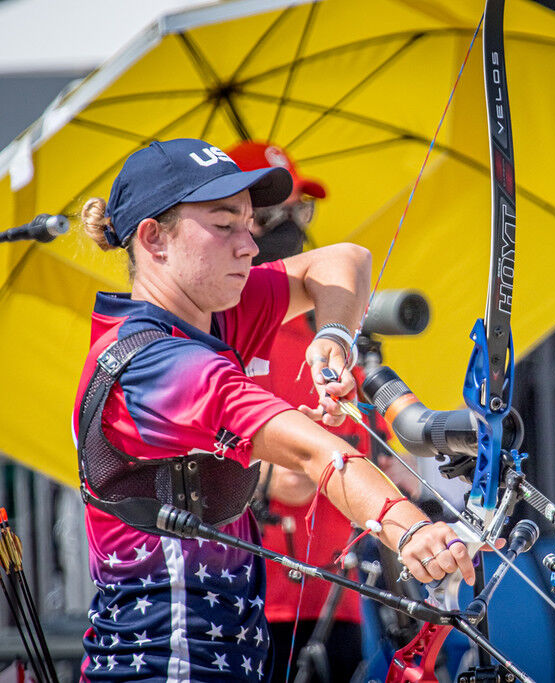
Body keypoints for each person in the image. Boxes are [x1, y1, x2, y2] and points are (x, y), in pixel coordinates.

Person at [72, 138, 483, 682]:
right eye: (224, 225)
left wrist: (332, 336)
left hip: (225, 660)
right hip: (164, 668)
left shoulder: (216, 317)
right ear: (154, 239)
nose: (248, 245)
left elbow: (345, 259)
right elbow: (318, 453)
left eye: (249, 224)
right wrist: (410, 530)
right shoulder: (157, 364)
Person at [227, 140, 366, 682]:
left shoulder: (335, 322)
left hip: (337, 594)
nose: (289, 227)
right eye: (269, 217)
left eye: (298, 210)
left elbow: (369, 436)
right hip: (248, 596)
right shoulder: (218, 327)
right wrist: (266, 476)